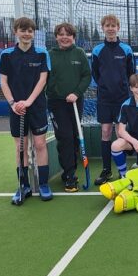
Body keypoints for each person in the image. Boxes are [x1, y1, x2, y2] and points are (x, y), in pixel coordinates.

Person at [0, 17, 52, 204]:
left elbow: (43, 80)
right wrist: (13, 103)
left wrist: (28, 101)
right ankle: (23, 186)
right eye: (23, 30)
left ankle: (43, 184)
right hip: (16, 109)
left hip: (36, 106)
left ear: (33, 33)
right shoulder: (6, 55)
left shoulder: (42, 53)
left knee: (40, 144)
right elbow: (3, 82)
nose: (27, 34)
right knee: (21, 147)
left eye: (30, 31)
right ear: (16, 32)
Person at [46, 23, 91, 192]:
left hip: (75, 101)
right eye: (61, 34)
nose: (64, 37)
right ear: (56, 37)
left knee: (74, 136)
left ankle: (69, 170)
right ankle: (70, 174)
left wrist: (77, 93)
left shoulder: (79, 53)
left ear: (73, 37)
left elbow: (87, 76)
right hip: (56, 103)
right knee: (64, 137)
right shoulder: (49, 55)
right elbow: (43, 78)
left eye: (68, 34)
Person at [91, 14, 136, 185]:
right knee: (105, 132)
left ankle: (121, 170)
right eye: (107, 26)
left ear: (118, 28)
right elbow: (95, 74)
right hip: (104, 98)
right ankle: (106, 170)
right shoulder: (97, 50)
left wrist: (123, 88)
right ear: (103, 28)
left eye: (113, 26)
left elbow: (131, 74)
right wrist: (104, 86)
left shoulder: (126, 49)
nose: (110, 28)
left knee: (120, 133)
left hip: (122, 98)